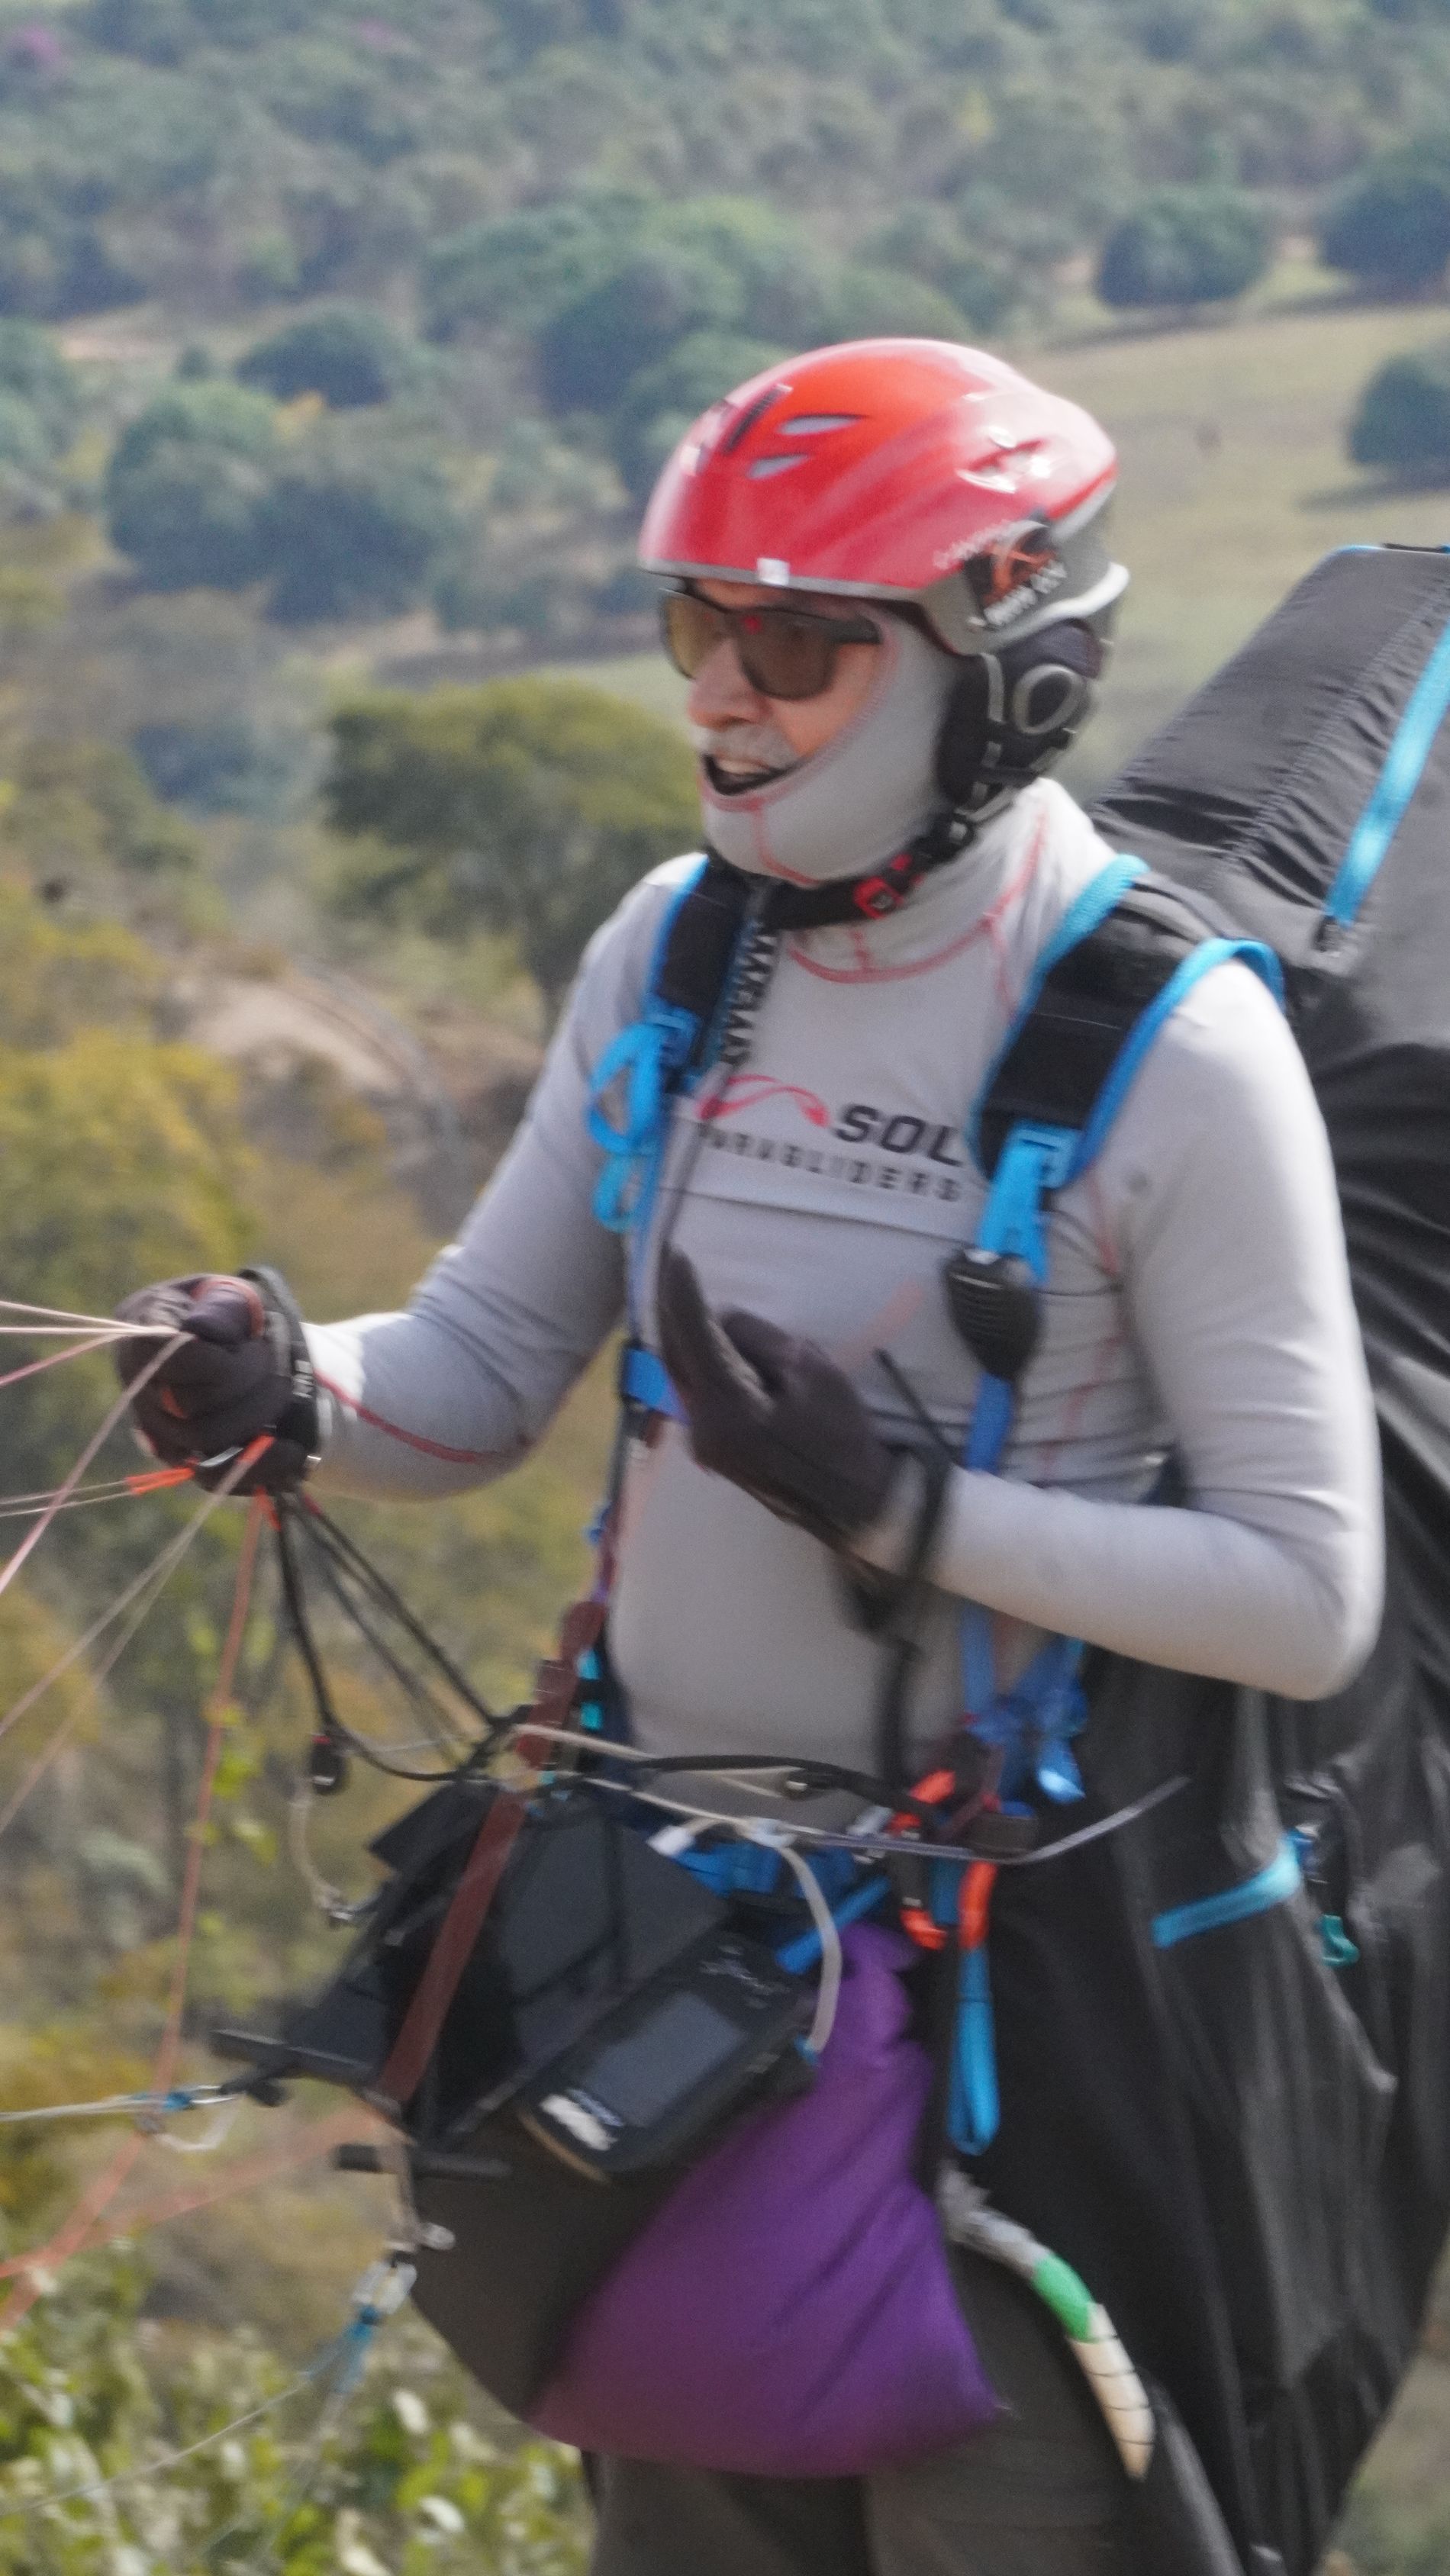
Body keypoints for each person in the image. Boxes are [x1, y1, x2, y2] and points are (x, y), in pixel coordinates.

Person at [114, 338, 1384, 2576]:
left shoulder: (1172, 1052)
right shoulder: (681, 957)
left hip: (1015, 2043)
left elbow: (1306, 1598)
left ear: (1000, 663)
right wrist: (294, 1388)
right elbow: (484, 1366)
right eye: (695, 623)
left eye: (796, 643)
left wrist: (908, 1514)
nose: (720, 692)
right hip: (678, 2002)